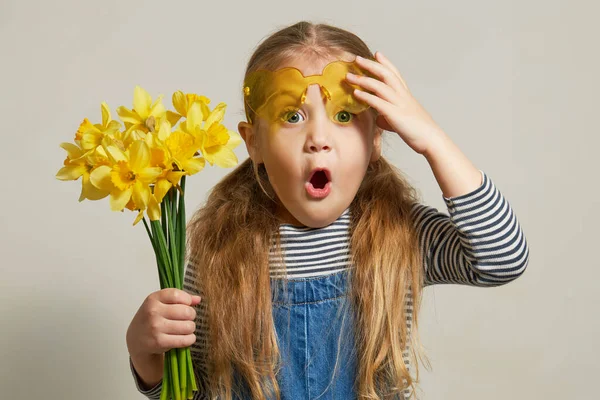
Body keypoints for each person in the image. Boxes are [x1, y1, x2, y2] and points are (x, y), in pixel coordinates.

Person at [126, 21, 530, 400]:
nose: (319, 138)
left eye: (343, 116)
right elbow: (194, 394)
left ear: (376, 138)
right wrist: (147, 359)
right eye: (292, 116)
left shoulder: (400, 233)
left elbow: (501, 259)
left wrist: (432, 140)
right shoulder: (219, 252)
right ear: (254, 145)